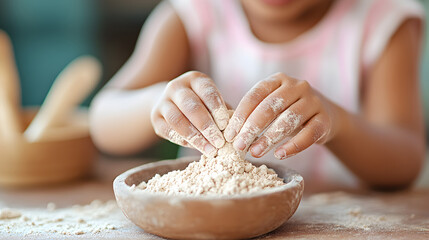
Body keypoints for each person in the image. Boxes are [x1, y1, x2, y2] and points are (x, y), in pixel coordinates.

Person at [89, 0, 426, 189]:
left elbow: (406, 159)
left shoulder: (382, 20)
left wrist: (338, 123)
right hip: (211, 222)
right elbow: (102, 119)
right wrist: (155, 102)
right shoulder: (192, 15)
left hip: (339, 221)